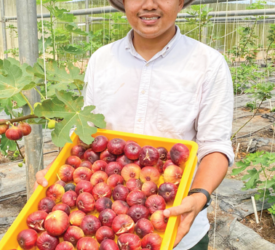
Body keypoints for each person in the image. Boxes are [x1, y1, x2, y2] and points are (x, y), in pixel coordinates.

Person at [35, 0, 234, 249]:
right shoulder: (102, 60)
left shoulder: (208, 64)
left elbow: (215, 146)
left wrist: (198, 195)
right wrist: (57, 172)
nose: (149, 4)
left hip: (175, 225)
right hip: (101, 227)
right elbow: (85, 133)